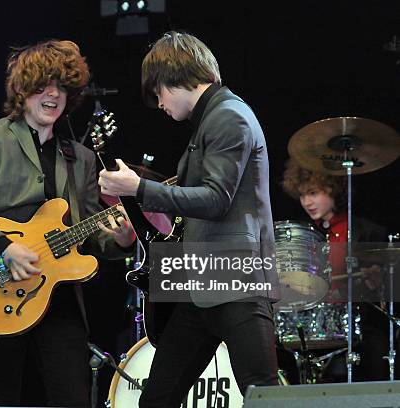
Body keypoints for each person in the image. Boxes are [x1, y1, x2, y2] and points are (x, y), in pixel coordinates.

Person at [0, 39, 135, 407]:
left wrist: (121, 240)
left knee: (74, 398)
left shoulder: (82, 158)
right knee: (0, 398)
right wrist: (4, 247)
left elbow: (89, 237)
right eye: (44, 84)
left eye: (62, 86)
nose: (53, 94)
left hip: (57, 298)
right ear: (23, 88)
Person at [98, 31, 279, 406]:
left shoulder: (229, 116)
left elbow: (216, 199)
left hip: (236, 280)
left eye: (158, 92)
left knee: (262, 394)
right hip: (203, 281)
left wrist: (139, 189)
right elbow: (194, 207)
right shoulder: (212, 119)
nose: (159, 103)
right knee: (158, 397)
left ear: (175, 78)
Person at [282, 158, 390, 381]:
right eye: (302, 195)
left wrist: (374, 281)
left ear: (333, 189)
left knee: (374, 348)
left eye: (313, 193)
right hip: (314, 327)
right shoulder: (309, 236)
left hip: (358, 328)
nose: (306, 202)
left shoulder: (366, 232)